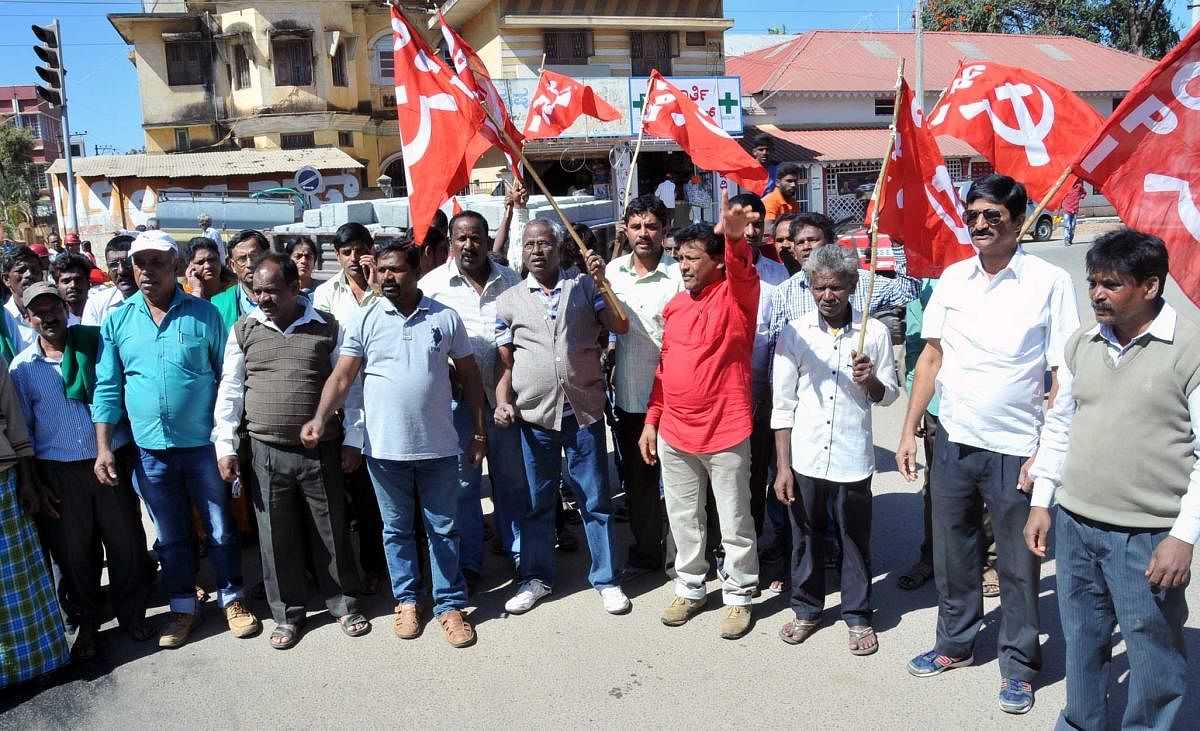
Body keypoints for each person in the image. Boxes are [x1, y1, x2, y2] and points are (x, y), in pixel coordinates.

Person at [897, 174, 1079, 715]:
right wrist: (909, 429)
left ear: (1018, 222)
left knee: (1020, 561)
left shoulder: (1048, 282)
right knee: (954, 553)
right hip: (954, 438)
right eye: (973, 215)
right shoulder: (954, 279)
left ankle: (1020, 664)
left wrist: (1046, 451)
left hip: (1016, 447)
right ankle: (954, 644)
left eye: (992, 216)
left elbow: (1060, 373)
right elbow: (931, 358)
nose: (979, 225)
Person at [1025, 229, 1199, 729]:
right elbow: (1059, 426)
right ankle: (1082, 722)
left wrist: (1182, 538)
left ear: (1150, 286)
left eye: (1112, 284)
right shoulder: (1082, 343)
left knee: (1150, 650)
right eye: (1093, 283)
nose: (1098, 294)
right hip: (1077, 525)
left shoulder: (1189, 348)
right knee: (1083, 639)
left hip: (1146, 534)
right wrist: (1043, 501)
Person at [302, 240, 484, 649]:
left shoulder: (445, 318)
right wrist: (319, 417)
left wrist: (477, 433)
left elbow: (470, 377)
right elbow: (343, 377)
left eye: (396, 270)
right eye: (381, 270)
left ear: (415, 272)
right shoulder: (364, 319)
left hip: (438, 447)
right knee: (397, 530)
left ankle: (449, 605)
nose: (386, 277)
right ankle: (406, 600)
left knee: (443, 528)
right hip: (384, 451)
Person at [92, 229, 260, 649]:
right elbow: (108, 387)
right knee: (171, 535)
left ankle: (232, 599)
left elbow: (228, 379)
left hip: (203, 446)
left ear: (174, 267)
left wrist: (228, 439)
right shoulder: (118, 320)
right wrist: (103, 447)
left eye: (157, 262)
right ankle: (183, 608)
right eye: (140, 263)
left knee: (220, 528)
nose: (147, 271)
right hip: (151, 451)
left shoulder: (203, 315)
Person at [214, 253, 368, 650]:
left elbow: (349, 387)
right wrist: (225, 445)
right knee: (275, 536)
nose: (263, 298)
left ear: (295, 288)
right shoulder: (243, 330)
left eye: (271, 291)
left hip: (322, 451)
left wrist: (353, 440)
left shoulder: (327, 327)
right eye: (256, 291)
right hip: (265, 451)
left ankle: (343, 604)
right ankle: (288, 614)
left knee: (330, 528)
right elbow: (230, 390)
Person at [638, 195, 761, 640]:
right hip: (674, 431)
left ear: (715, 261)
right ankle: (691, 587)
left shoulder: (737, 297)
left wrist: (733, 239)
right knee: (684, 517)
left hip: (726, 430)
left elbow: (742, 265)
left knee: (734, 518)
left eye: (691, 258)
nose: (683, 266)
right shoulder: (675, 306)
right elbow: (664, 369)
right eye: (679, 258)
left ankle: (740, 594)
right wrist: (653, 419)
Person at [494, 219, 631, 616]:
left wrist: (602, 280)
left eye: (545, 244)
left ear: (560, 248)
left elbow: (619, 324)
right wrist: (504, 402)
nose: (537, 251)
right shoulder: (509, 301)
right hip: (535, 418)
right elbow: (507, 366)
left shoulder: (585, 287)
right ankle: (536, 578)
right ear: (521, 252)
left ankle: (606, 578)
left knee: (595, 500)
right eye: (529, 245)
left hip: (583, 413)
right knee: (538, 502)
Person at [11, 282, 152, 660]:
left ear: (66, 309)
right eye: (38, 311)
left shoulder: (96, 347)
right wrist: (34, 480)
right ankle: (84, 627)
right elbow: (22, 428)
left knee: (127, 546)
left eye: (53, 307)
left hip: (109, 463)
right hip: (59, 472)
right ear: (28, 319)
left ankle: (132, 615)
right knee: (74, 556)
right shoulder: (23, 368)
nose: (48, 316)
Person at [771, 245, 898, 654]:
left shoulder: (873, 333)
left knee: (854, 537)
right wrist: (783, 466)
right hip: (806, 456)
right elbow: (783, 403)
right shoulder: (795, 333)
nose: (828, 296)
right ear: (810, 287)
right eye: (820, 287)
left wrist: (870, 380)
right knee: (806, 535)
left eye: (837, 288)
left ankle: (858, 615)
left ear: (852, 286)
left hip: (851, 457)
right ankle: (807, 608)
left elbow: (889, 396)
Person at [420, 210, 526, 588]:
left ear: (486, 238)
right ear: (451, 242)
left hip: (504, 399)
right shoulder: (433, 286)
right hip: (456, 405)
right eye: (461, 238)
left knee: (511, 480)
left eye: (476, 237)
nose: (469, 245)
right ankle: (470, 563)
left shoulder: (511, 281)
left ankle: (518, 554)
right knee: (464, 486)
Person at [605, 195, 681, 574]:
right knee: (639, 483)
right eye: (636, 226)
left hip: (675, 399)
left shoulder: (680, 273)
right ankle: (647, 551)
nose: (643, 233)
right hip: (631, 397)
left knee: (679, 484)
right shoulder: (613, 273)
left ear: (664, 230)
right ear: (626, 230)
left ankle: (679, 556)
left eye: (651, 226)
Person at [311, 222, 386, 592]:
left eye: (360, 249)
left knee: (397, 490)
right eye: (347, 252)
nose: (355, 258)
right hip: (348, 405)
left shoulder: (387, 284)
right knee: (362, 496)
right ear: (338, 256)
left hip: (387, 398)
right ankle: (372, 567)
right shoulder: (325, 295)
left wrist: (377, 289)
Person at [0, 359, 68, 689]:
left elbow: (14, 420)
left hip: (2, 479)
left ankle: (37, 660)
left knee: (17, 579)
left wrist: (28, 480)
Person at [211, 229, 269, 332]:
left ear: (268, 257)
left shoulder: (288, 299)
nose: (249, 264)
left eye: (255, 256)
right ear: (232, 265)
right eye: (242, 259)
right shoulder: (217, 305)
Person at [82, 235, 137, 327]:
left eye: (128, 263)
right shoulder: (96, 304)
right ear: (108, 271)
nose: (121, 270)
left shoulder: (160, 301)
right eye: (113, 265)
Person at [1, 246, 46, 359]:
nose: (29, 275)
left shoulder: (56, 313)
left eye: (34, 270)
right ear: (6, 279)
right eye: (21, 271)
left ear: (41, 275)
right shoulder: (4, 319)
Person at [51, 254, 91, 323]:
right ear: (57, 286)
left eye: (78, 280)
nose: (73, 285)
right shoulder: (53, 321)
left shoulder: (102, 312)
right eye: (66, 281)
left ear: (88, 283)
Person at [763, 162, 803, 227]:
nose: (793, 185)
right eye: (789, 181)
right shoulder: (769, 201)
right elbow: (767, 230)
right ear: (778, 182)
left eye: (795, 181)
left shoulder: (793, 202)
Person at [1061, 179, 1086, 247]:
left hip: (1074, 209)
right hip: (1066, 208)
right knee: (1067, 226)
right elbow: (1060, 195)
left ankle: (1070, 239)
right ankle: (1066, 239)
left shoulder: (1079, 186)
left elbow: (1084, 193)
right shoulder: (1066, 186)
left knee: (1072, 226)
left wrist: (1080, 197)